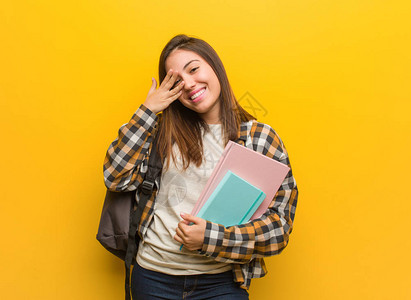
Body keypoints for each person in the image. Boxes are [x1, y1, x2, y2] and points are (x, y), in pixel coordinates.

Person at [103, 34, 298, 300]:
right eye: (177, 81)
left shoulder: (260, 138)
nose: (190, 84)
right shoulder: (161, 130)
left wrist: (210, 238)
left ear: (215, 66)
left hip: (221, 283)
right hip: (153, 277)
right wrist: (148, 110)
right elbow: (115, 177)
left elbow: (279, 226)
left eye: (194, 69)